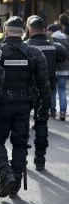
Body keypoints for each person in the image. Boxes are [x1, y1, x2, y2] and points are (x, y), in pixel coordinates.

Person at [0, 17, 50, 198]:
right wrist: (45, 107)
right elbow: (44, 83)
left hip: (0, 105)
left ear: (6, 32)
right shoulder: (34, 54)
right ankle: (15, 182)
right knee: (20, 143)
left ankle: (6, 174)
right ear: (23, 32)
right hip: (23, 105)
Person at [25, 16, 67, 170]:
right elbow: (63, 58)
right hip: (47, 89)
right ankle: (40, 159)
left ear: (30, 30)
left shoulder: (25, 46)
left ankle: (20, 159)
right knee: (42, 123)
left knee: (23, 124)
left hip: (28, 90)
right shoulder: (55, 46)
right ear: (44, 30)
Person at [48, 24, 69, 121]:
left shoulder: (51, 40)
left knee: (52, 90)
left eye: (48, 31)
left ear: (52, 31)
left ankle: (52, 112)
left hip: (54, 68)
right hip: (65, 68)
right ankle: (63, 112)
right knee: (62, 90)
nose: (47, 33)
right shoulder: (67, 38)